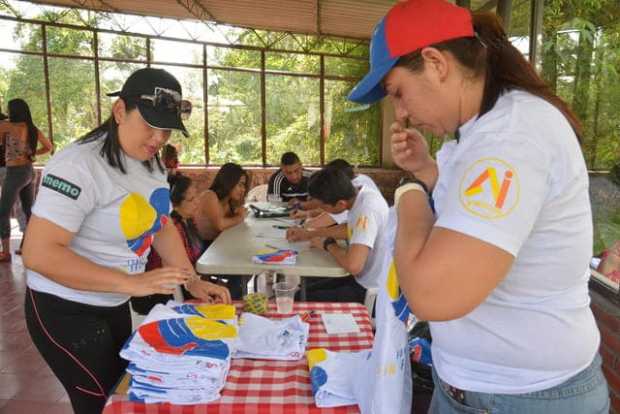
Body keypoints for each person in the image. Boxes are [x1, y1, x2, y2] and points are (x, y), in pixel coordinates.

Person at [348, 1, 609, 413]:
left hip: (524, 398)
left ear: (435, 63)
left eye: (398, 92)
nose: (402, 113)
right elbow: (468, 219)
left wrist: (409, 188)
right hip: (477, 387)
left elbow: (432, 295)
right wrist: (428, 170)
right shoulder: (475, 136)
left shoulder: (512, 136)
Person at [21, 68, 231, 414]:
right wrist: (132, 282)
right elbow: (38, 254)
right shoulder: (79, 165)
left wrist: (191, 280)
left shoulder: (148, 163)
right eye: (150, 125)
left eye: (166, 129)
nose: (158, 138)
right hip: (64, 309)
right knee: (102, 403)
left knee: (128, 393)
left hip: (113, 303)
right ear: (120, 111)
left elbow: (159, 223)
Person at [303, 167, 389, 303]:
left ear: (341, 204)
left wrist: (328, 244)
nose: (322, 211)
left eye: (324, 208)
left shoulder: (367, 210)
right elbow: (352, 228)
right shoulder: (359, 192)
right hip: (361, 279)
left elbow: (353, 265)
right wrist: (311, 234)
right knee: (306, 285)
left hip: (372, 292)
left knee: (301, 298)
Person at [131, 174, 208, 314]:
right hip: (162, 293)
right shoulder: (172, 227)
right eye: (191, 199)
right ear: (174, 204)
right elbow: (175, 275)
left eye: (197, 196)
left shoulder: (188, 221)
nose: (197, 202)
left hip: (185, 284)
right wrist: (195, 282)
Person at [0, 98, 53, 261]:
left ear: (13, 111)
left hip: (14, 172)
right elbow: (49, 147)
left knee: (3, 212)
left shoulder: (6, 126)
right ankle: (27, 247)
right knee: (29, 209)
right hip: (29, 171)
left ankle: (6, 252)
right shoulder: (32, 128)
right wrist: (32, 154)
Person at [194, 162, 248, 299]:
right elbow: (221, 225)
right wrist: (240, 216)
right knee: (241, 271)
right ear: (229, 182)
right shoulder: (210, 196)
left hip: (215, 249)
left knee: (246, 265)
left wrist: (238, 211)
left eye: (244, 185)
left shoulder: (228, 202)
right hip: (202, 250)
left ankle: (225, 295)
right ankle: (223, 300)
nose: (243, 189)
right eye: (240, 184)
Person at [301, 158, 382, 228]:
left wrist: (306, 226)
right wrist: (307, 214)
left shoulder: (353, 193)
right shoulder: (361, 178)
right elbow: (331, 208)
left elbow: (332, 216)